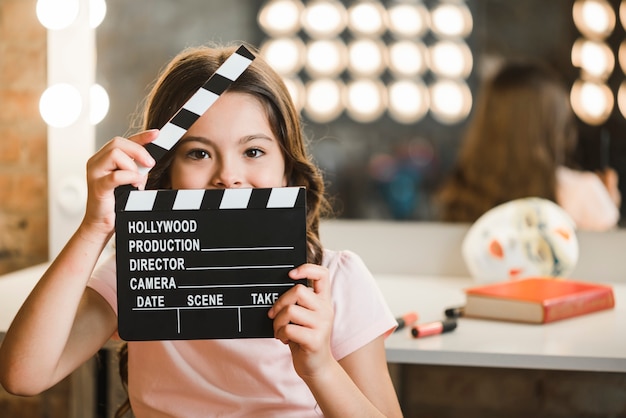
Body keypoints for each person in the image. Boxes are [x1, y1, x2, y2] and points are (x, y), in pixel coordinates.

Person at [0, 43, 403, 418]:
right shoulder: (142, 272)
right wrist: (95, 226)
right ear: (166, 172)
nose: (228, 176)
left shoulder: (337, 283)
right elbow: (24, 375)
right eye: (198, 153)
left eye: (254, 151)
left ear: (287, 168)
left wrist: (320, 368)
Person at [436, 59, 621, 231]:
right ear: (556, 125)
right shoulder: (581, 192)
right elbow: (607, 261)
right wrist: (606, 206)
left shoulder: (460, 194)